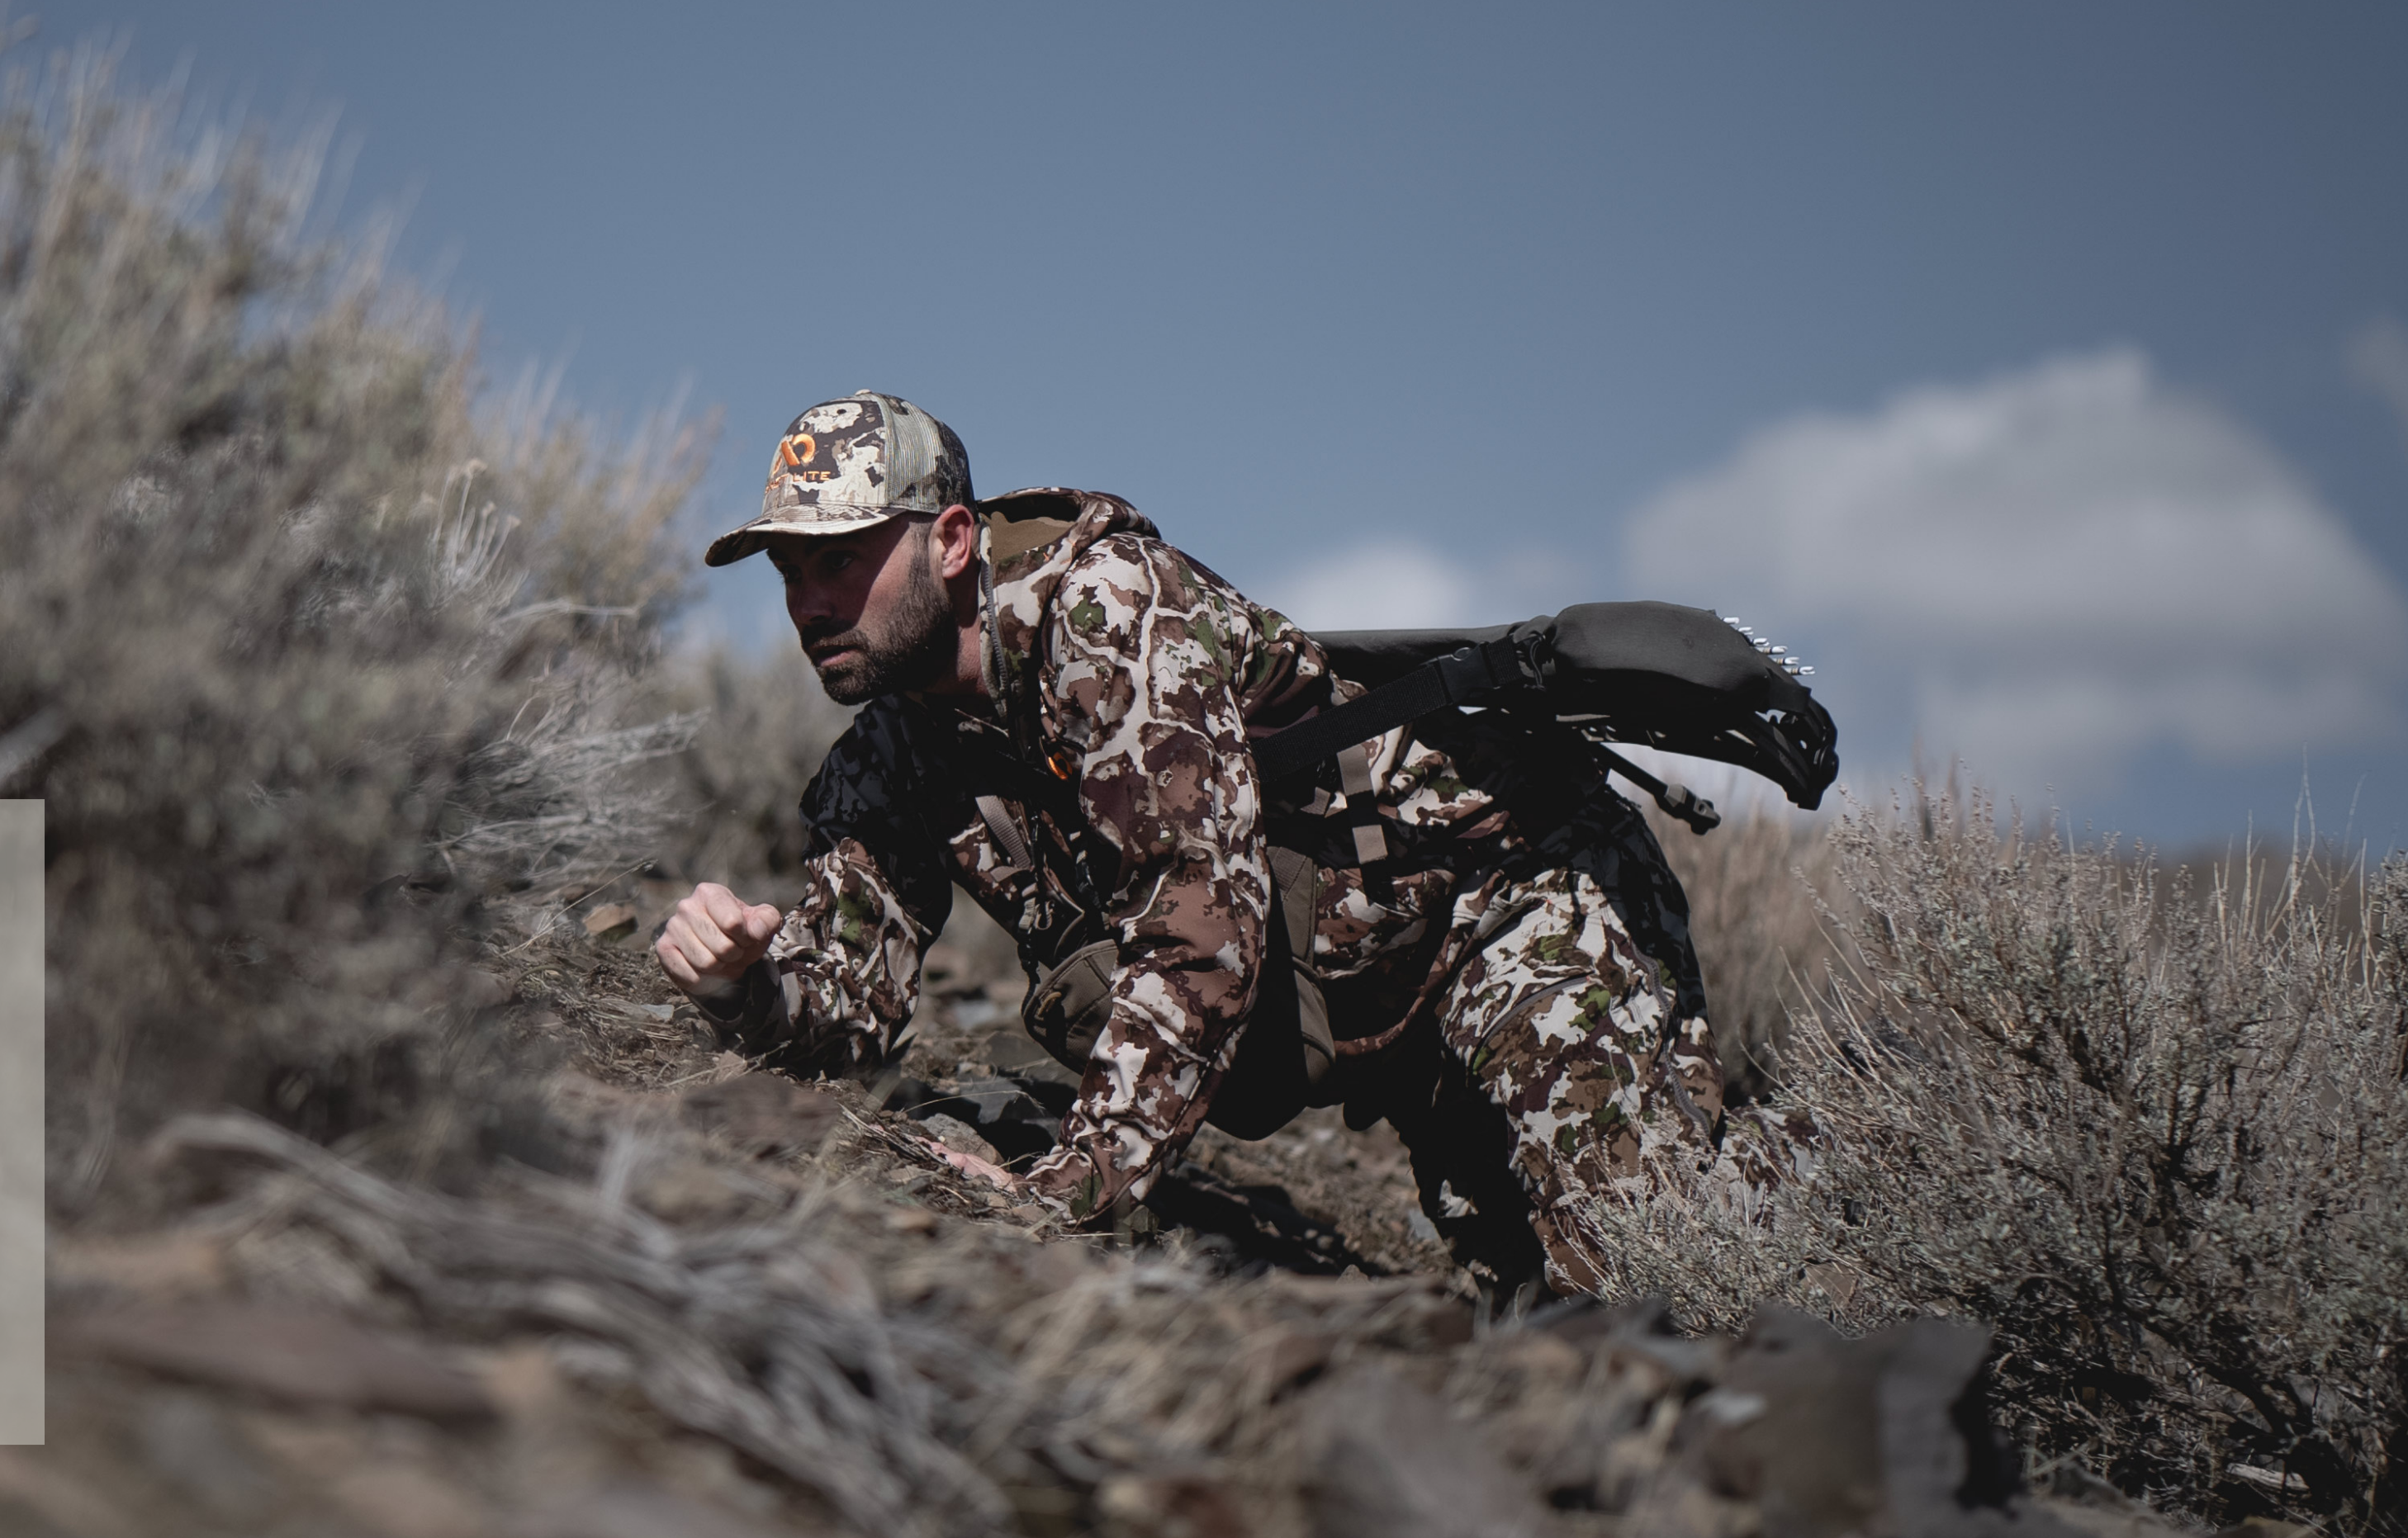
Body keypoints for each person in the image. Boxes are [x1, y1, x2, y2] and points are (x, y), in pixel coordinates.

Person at [656, 390, 1783, 1294]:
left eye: (841, 557)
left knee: (1655, 1272)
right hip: (1372, 1008)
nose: (809, 601)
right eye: (790, 570)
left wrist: (1072, 1188)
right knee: (1534, 1314)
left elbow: (1200, 928)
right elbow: (845, 1012)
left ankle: (1896, 1174)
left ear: (950, 540)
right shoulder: (889, 757)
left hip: (1513, 904)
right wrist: (748, 986)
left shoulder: (1104, 618)